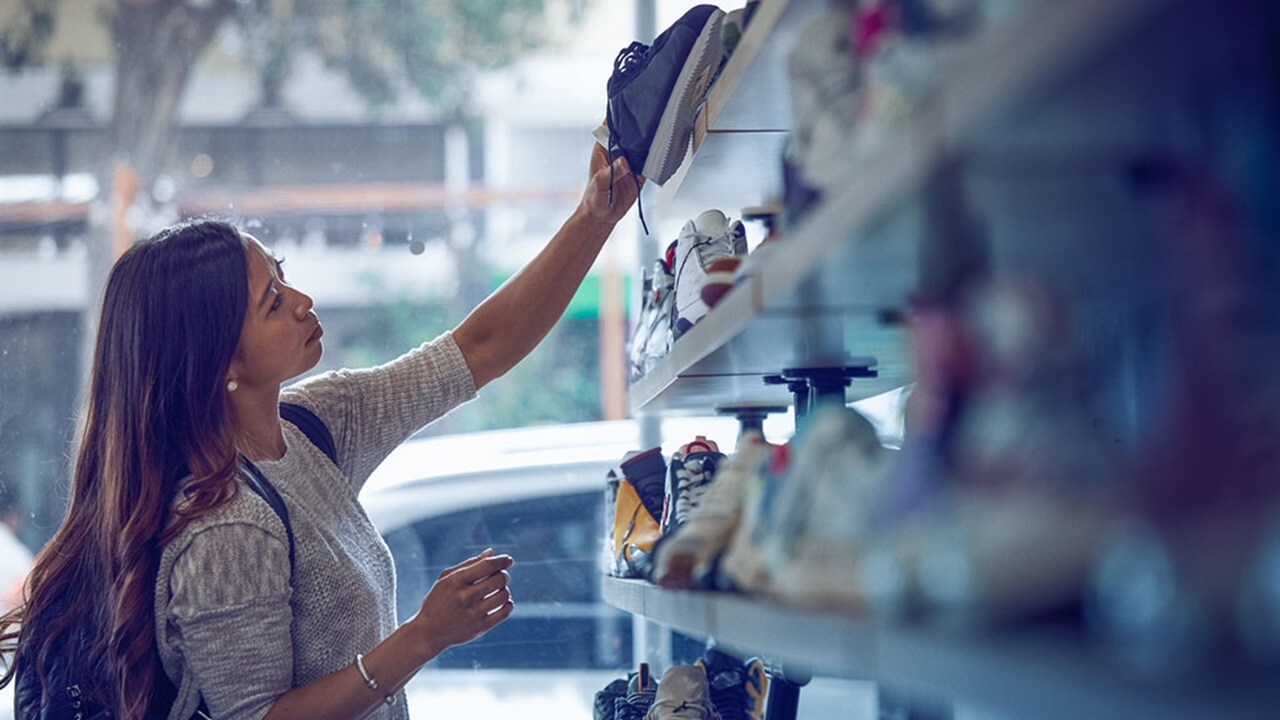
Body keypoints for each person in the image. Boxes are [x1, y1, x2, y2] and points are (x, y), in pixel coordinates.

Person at [0, 144, 639, 719]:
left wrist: (594, 219)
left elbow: (479, 349)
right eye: (272, 301)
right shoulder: (226, 527)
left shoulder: (313, 425)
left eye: (280, 275)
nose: (302, 300)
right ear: (220, 359)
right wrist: (422, 636)